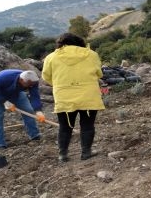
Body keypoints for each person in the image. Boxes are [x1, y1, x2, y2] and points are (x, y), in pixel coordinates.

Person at [42, 33, 105, 162]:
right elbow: (99, 73)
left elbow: (46, 77)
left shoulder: (51, 57)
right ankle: (86, 152)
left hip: (64, 96)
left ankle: (63, 155)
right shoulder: (91, 55)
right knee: (87, 125)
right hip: (88, 95)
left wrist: (60, 84)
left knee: (65, 127)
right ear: (79, 42)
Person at [0, 69, 44, 148]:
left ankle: (35, 135)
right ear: (21, 80)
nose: (30, 86)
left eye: (32, 84)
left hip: (15, 92)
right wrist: (4, 101)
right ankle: (0, 144)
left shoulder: (33, 81)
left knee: (28, 110)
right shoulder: (4, 78)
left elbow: (34, 95)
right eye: (29, 84)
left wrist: (38, 110)